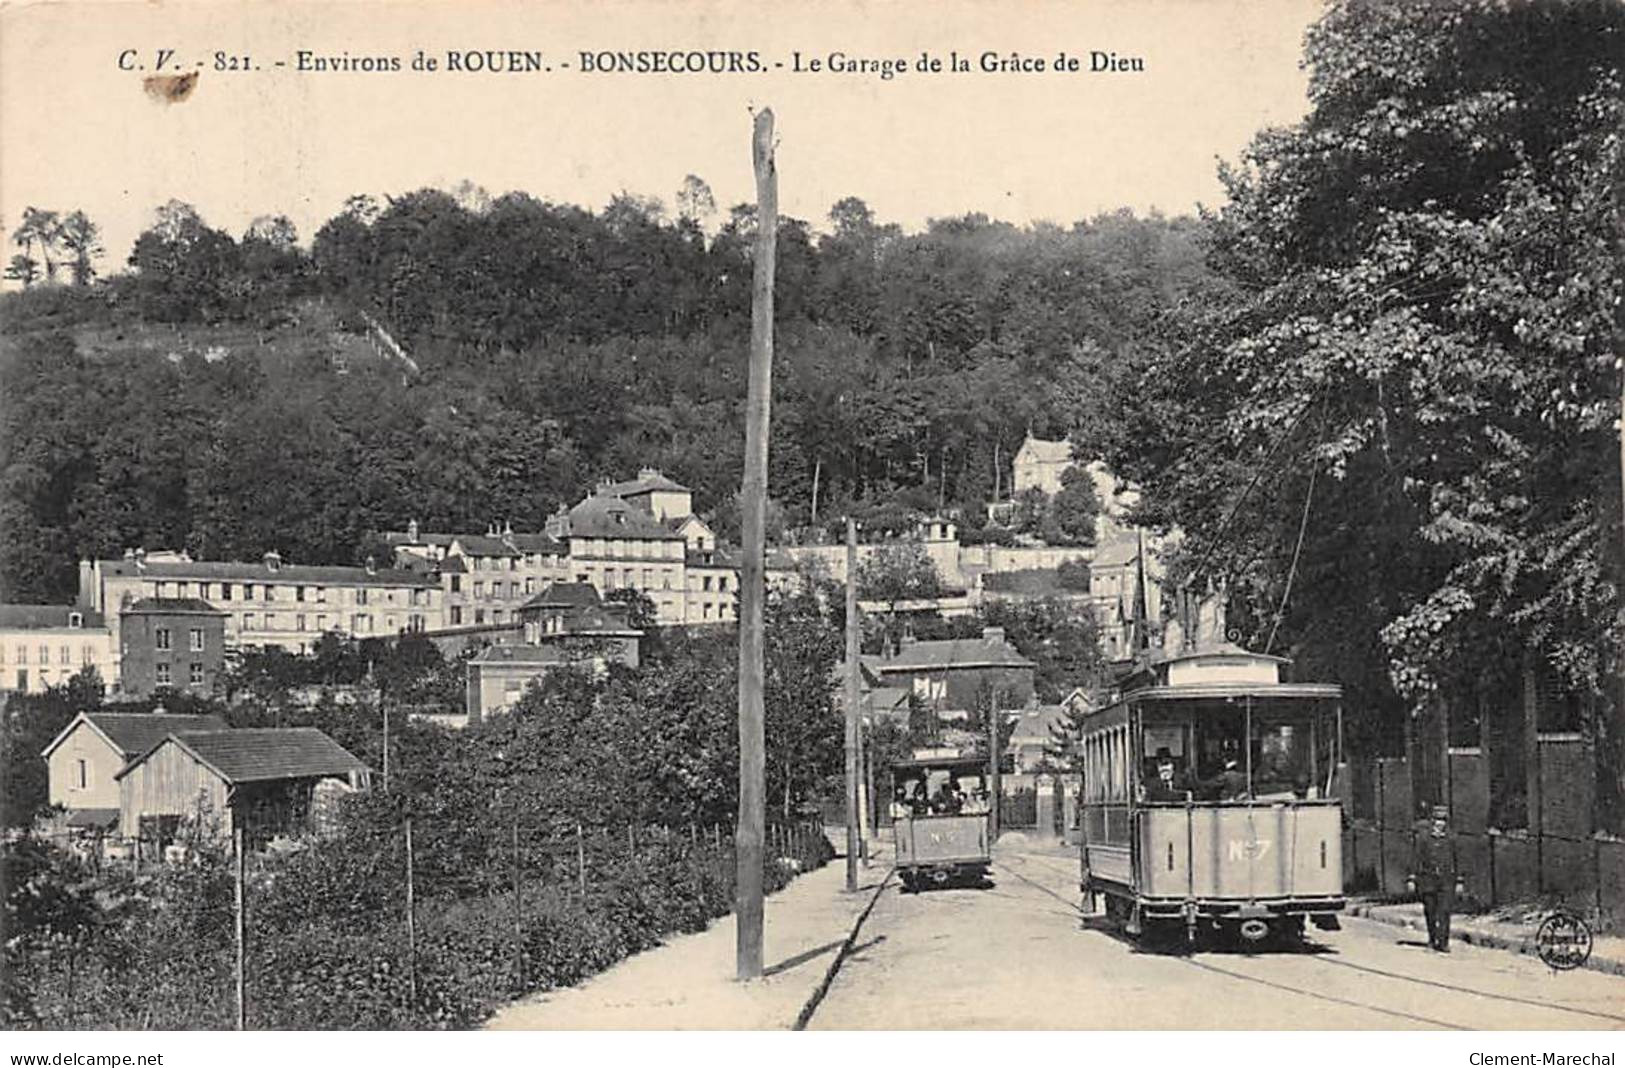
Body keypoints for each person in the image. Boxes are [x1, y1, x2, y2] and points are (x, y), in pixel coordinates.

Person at [1409, 804, 1457, 952]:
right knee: (1430, 910)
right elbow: (1416, 859)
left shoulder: (1451, 838)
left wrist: (1460, 880)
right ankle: (1432, 938)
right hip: (1428, 880)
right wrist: (1412, 879)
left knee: (1445, 911)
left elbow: (1458, 860)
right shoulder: (1423, 839)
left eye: (1443, 820)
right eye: (1437, 820)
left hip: (1446, 880)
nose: (1440, 823)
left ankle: (1443, 942)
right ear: (1432, 821)